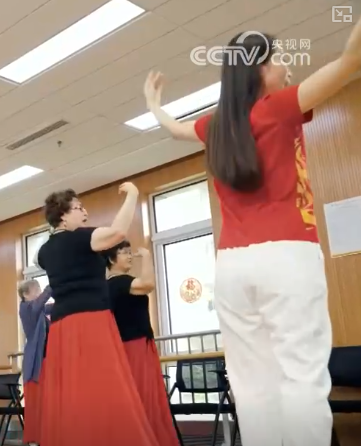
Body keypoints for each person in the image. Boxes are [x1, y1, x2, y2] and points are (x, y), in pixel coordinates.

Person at [143, 22, 360, 445]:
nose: (287, 68)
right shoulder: (277, 107)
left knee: (251, 382)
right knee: (301, 374)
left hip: (232, 267)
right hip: (288, 256)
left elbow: (174, 129)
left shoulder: (215, 126)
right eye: (280, 60)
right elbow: (350, 60)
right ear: (259, 68)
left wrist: (154, 105)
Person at [36, 183, 158, 446]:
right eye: (78, 208)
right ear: (63, 215)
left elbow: (45, 260)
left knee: (74, 390)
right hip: (90, 320)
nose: (85, 212)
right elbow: (117, 232)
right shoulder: (81, 238)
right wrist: (133, 195)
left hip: (61, 326)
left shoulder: (44, 251)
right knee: (103, 384)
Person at [103, 242, 177, 446]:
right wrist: (147, 256)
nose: (129, 256)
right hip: (133, 346)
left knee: (143, 396)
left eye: (130, 252)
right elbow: (148, 284)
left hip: (135, 344)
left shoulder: (112, 284)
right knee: (144, 396)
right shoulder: (119, 283)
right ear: (110, 259)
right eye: (124, 253)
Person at [16, 279, 52, 446]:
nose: (39, 292)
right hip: (35, 364)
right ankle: (35, 439)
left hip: (45, 362)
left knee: (46, 403)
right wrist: (55, 281)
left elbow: (53, 307)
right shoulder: (26, 309)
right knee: (36, 404)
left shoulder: (40, 311)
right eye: (36, 289)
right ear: (25, 294)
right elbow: (41, 302)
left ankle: (45, 438)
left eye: (39, 289)